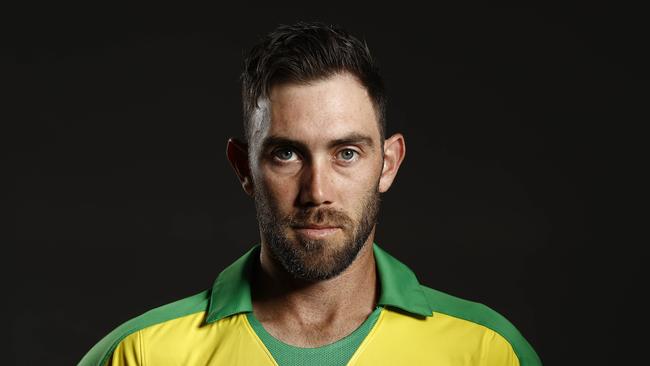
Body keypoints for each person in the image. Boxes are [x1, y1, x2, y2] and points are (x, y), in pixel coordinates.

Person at [79, 21, 542, 366]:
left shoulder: (486, 352)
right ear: (243, 168)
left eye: (345, 153)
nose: (316, 192)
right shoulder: (141, 354)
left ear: (388, 163)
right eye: (287, 154)